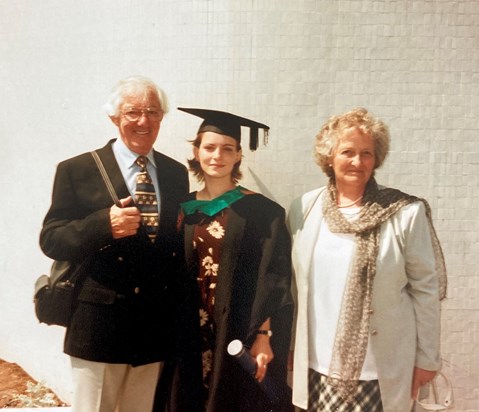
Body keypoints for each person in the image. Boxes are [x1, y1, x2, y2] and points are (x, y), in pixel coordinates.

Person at [39, 76, 195, 412]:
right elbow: (51, 238)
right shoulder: (77, 170)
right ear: (114, 118)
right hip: (98, 328)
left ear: (162, 118)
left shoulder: (174, 173)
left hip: (152, 328)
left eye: (152, 112)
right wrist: (102, 225)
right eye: (133, 112)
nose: (143, 121)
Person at [287, 108, 447, 412]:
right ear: (329, 156)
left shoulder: (404, 212)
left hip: (380, 366)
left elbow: (426, 289)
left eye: (367, 153)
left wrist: (427, 358)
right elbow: (297, 287)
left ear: (377, 159)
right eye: (347, 152)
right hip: (318, 362)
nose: (357, 162)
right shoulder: (305, 208)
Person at [172, 107, 295, 412]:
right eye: (209, 147)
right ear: (196, 151)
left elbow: (272, 279)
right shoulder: (181, 209)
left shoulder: (263, 212)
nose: (217, 156)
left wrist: (264, 336)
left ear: (239, 154)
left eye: (227, 149)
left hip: (239, 330)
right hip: (188, 330)